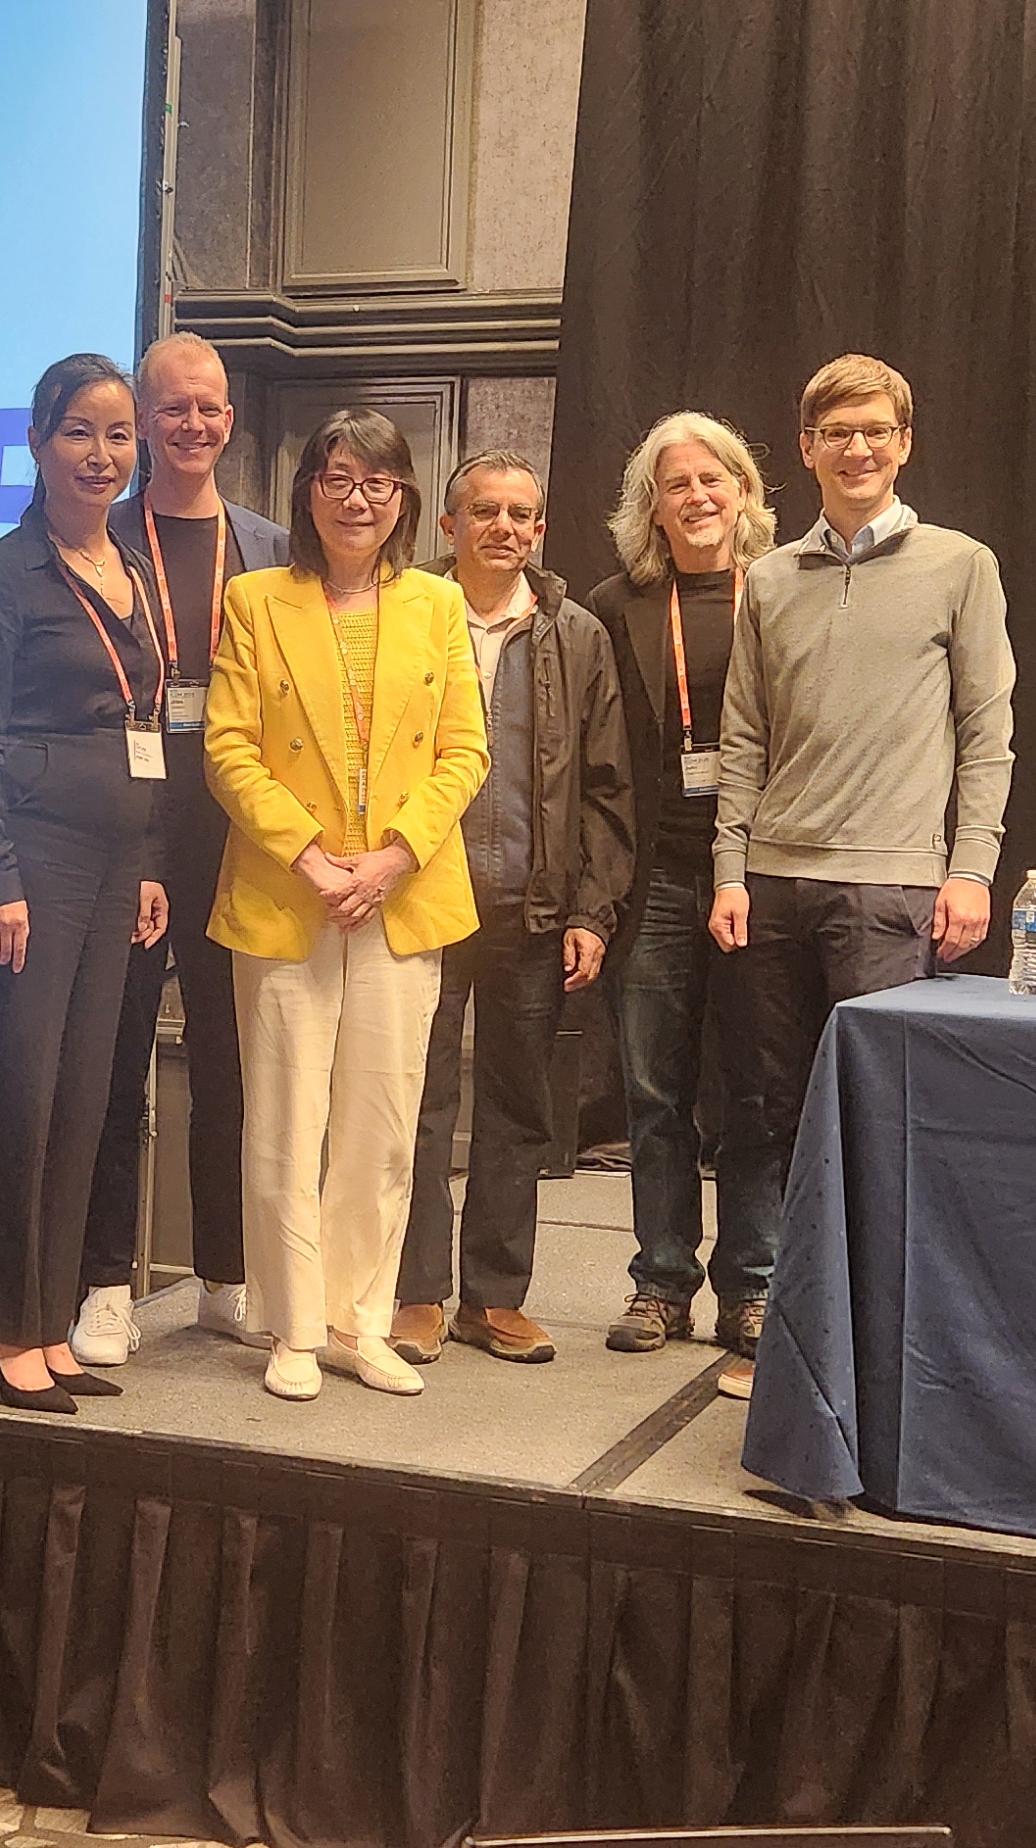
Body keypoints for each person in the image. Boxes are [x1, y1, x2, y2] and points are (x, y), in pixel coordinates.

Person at [706, 355, 1015, 1400]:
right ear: (805, 449)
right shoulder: (771, 580)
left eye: (876, 430)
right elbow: (740, 738)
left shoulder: (959, 565)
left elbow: (987, 731)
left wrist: (970, 868)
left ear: (904, 443)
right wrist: (729, 868)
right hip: (776, 888)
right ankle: (805, 1348)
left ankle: (883, 1355)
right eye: (836, 431)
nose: (858, 447)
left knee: (882, 1122)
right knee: (783, 1122)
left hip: (891, 890)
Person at [207, 408, 488, 1401]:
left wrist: (391, 859)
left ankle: (359, 1320)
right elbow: (228, 746)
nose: (356, 498)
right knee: (283, 1119)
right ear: (308, 494)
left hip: (401, 897)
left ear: (404, 498)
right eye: (336, 479)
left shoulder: (438, 608)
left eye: (376, 482)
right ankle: (291, 1327)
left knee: (380, 1120)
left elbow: (466, 751)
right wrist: (318, 860)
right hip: (290, 897)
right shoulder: (253, 599)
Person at [0, 353, 174, 1413]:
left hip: (120, 862)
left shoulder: (131, 564)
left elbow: (139, 727)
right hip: (31, 866)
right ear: (37, 443)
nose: (102, 453)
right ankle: (5, 1331)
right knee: (25, 1105)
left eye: (119, 434)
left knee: (89, 1103)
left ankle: (55, 1320)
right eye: (79, 431)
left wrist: (153, 862)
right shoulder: (3, 575)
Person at [73, 333, 294, 1368]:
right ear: (143, 421)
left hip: (238, 845)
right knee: (116, 1069)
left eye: (208, 409)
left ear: (230, 420)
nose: (191, 426)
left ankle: (225, 1277)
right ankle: (105, 1284)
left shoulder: (270, 547)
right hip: (128, 842)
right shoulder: (99, 537)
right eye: (170, 410)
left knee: (232, 1072)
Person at [394, 451, 630, 1366]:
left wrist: (590, 911)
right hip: (421, 900)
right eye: (484, 511)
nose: (505, 527)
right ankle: (416, 1293)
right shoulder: (409, 616)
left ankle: (492, 1298)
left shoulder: (577, 634)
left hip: (535, 912)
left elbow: (609, 788)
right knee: (415, 1104)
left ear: (540, 529)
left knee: (517, 1109)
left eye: (522, 513)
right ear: (447, 527)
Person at [584, 412, 781, 1359]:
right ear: (650, 507)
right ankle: (661, 1282)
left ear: (743, 492)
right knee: (655, 1091)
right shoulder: (615, 605)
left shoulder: (785, 594)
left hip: (762, 875)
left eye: (714, 480)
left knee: (752, 1091)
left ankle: (753, 1286)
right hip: (659, 877)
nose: (698, 498)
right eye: (677, 485)